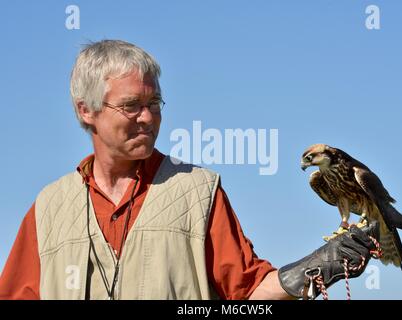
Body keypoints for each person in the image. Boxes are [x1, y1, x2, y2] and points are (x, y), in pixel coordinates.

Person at [0, 40, 379, 300]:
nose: (148, 117)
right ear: (87, 110)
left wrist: (311, 271)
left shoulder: (198, 191)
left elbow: (246, 294)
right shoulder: (49, 208)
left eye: (155, 102)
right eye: (132, 105)